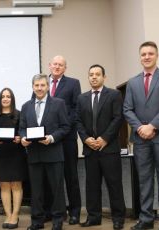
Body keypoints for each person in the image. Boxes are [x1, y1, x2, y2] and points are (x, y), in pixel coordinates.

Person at [124, 41, 159, 230]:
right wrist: (140, 127)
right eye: (143, 54)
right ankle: (146, 219)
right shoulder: (132, 82)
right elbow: (127, 109)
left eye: (150, 53)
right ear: (140, 57)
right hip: (140, 140)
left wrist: (153, 126)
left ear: (157, 55)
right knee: (145, 180)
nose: (146, 57)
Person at [76, 64, 126, 230]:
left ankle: (118, 218)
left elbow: (118, 118)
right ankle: (93, 217)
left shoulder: (114, 95)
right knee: (92, 185)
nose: (94, 77)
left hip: (109, 149)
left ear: (104, 77)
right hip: (90, 149)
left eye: (97, 74)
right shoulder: (81, 98)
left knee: (114, 185)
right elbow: (78, 122)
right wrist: (85, 139)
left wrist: (104, 138)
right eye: (91, 74)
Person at [20, 74, 70, 230]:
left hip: (54, 153)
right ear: (33, 87)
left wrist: (52, 138)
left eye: (42, 85)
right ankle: (37, 221)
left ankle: (57, 221)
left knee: (56, 190)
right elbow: (22, 128)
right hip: (34, 155)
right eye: (36, 85)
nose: (39, 88)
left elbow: (65, 127)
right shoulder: (26, 106)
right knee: (36, 191)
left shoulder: (59, 104)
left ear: (48, 86)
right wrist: (23, 138)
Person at [43, 55, 82, 225]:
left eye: (61, 65)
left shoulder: (73, 83)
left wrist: (63, 126)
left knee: (70, 176)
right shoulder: (41, 83)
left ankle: (74, 212)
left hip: (66, 138)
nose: (57, 67)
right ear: (49, 66)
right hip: (47, 141)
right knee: (50, 177)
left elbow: (76, 108)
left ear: (65, 68)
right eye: (55, 64)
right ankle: (53, 211)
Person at [0, 88, 27, 229]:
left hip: (16, 154)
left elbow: (24, 131)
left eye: (8, 96)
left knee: (16, 185)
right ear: (0, 99)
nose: (5, 99)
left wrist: (20, 137)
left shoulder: (19, 114)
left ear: (12, 99)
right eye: (3, 96)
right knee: (4, 186)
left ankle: (15, 215)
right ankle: (8, 215)